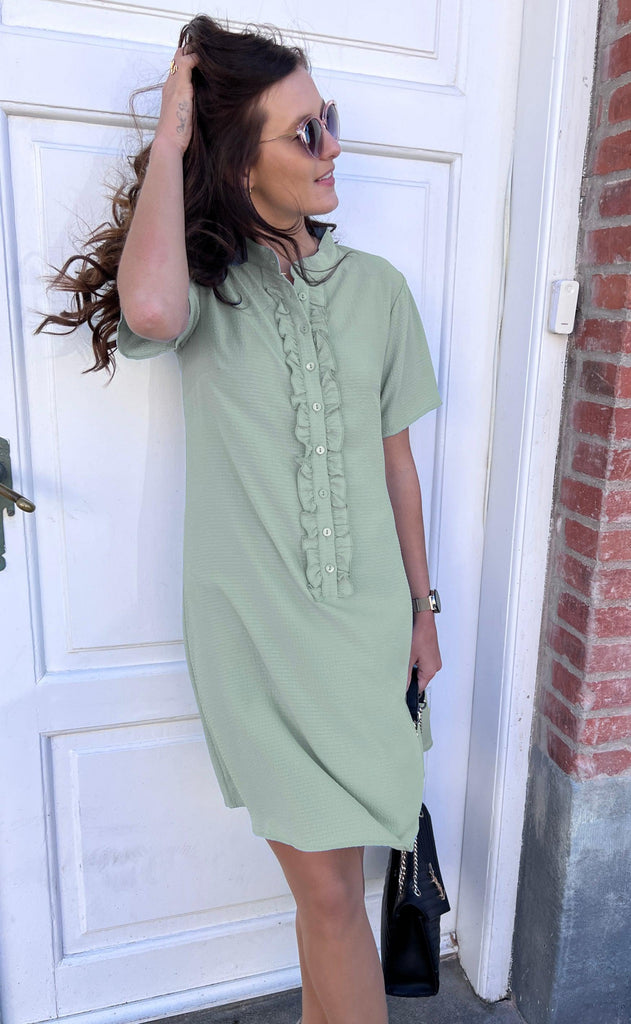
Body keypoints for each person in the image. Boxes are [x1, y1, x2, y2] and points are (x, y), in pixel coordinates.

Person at [35, 15, 442, 1024]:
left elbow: (396, 462)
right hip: (257, 638)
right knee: (331, 899)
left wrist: (422, 610)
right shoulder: (206, 292)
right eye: (304, 132)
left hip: (365, 639)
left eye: (328, 119)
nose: (333, 145)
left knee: (329, 900)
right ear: (240, 162)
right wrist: (174, 132)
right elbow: (150, 313)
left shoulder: (380, 291)